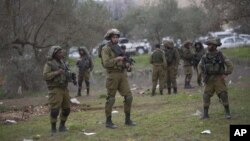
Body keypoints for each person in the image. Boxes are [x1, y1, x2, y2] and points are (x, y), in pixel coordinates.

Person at [101, 28, 136, 129]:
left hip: (122, 74)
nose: (116, 39)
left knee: (129, 97)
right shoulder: (106, 49)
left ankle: (128, 120)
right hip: (112, 75)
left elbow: (124, 62)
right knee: (111, 98)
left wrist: (128, 65)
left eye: (117, 37)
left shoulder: (119, 48)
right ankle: (108, 121)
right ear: (110, 38)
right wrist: (117, 59)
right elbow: (106, 63)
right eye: (114, 37)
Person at [198, 37, 233, 119]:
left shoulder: (220, 55)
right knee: (206, 95)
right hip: (209, 79)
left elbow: (230, 65)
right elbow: (199, 66)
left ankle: (227, 112)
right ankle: (205, 114)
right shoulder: (205, 56)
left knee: (223, 94)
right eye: (208, 44)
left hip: (218, 78)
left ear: (215, 46)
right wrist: (202, 75)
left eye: (210, 45)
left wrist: (226, 73)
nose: (209, 46)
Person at [43, 46, 75, 135]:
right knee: (55, 110)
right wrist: (56, 72)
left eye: (62, 52)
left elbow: (66, 72)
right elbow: (45, 76)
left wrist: (71, 76)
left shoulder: (63, 62)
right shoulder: (49, 64)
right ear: (54, 54)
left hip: (64, 88)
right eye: (59, 53)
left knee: (67, 109)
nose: (61, 54)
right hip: (55, 89)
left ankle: (62, 126)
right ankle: (53, 128)